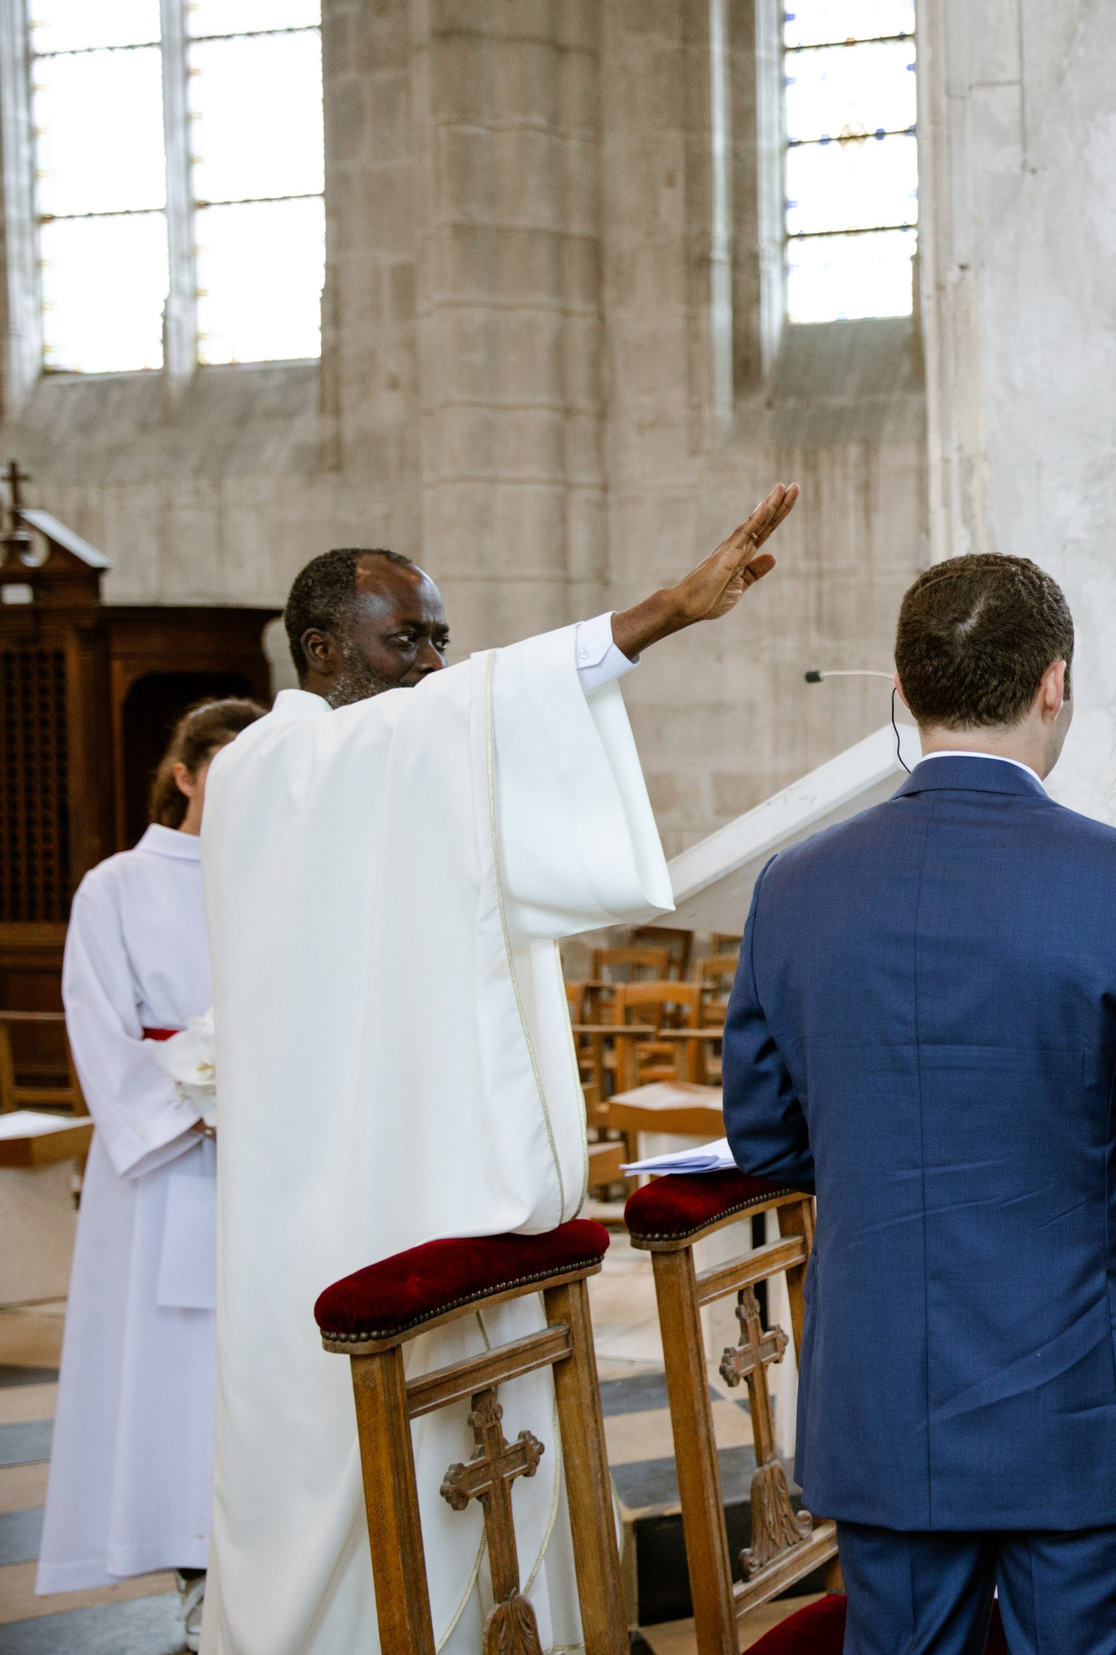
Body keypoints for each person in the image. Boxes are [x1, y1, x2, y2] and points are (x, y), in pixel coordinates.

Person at [197, 484, 796, 1655]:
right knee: (340, 1471)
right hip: (323, 1213)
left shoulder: (387, 773)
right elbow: (457, 719)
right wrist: (660, 614)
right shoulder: (276, 765)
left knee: (490, 1454)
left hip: (435, 1194)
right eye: (404, 640)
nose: (434, 665)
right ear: (321, 650)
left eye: (441, 639)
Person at [721, 555, 1116, 1655]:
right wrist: (1075, 1189)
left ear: (901, 686)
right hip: (1087, 1395)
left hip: (884, 1393)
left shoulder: (793, 884)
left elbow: (765, 1133)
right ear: (1054, 683)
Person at [38, 698, 264, 1650]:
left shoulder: (282, 875)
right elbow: (101, 1029)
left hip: (273, 1162)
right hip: (171, 1161)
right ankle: (195, 1579)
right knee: (175, 1381)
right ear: (185, 774)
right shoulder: (117, 887)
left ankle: (274, 1576)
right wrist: (201, 1098)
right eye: (229, 767)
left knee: (264, 1372)